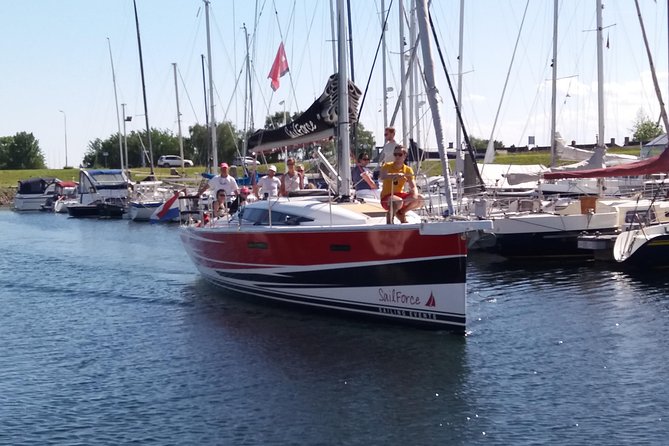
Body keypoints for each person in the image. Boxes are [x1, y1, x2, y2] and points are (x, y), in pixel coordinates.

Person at [379, 145, 423, 224]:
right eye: (395, 154)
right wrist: (395, 175)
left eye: (399, 154)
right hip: (387, 197)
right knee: (398, 201)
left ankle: (402, 212)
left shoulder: (408, 169)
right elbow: (382, 176)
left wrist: (414, 195)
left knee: (420, 198)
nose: (397, 156)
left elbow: (413, 186)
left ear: (405, 155)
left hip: (399, 196)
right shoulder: (387, 166)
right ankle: (390, 218)